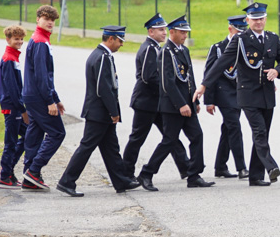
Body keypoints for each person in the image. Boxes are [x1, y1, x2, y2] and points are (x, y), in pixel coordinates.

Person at [197, 3, 280, 186]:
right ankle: (271, 166)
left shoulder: (272, 38)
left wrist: (277, 71)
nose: (258, 22)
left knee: (263, 133)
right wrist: (204, 85)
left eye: (261, 18)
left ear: (265, 19)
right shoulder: (240, 40)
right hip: (248, 95)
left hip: (267, 94)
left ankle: (256, 176)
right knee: (259, 131)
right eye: (254, 19)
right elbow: (222, 62)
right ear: (248, 20)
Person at [56, 27, 142, 197]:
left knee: (111, 148)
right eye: (120, 41)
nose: (122, 44)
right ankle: (67, 181)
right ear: (111, 39)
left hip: (101, 112)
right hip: (99, 112)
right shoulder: (102, 57)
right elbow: (103, 88)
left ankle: (120, 180)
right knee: (87, 147)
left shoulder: (102, 55)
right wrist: (113, 111)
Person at [138, 16, 212, 189]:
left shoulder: (183, 51)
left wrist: (195, 100)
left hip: (188, 103)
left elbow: (189, 76)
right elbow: (167, 82)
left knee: (197, 136)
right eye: (182, 32)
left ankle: (194, 175)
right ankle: (146, 173)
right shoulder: (166, 52)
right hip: (173, 106)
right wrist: (181, 104)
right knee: (169, 141)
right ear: (172, 32)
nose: (185, 35)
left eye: (186, 32)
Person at [122, 13, 190, 189]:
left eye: (164, 29)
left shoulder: (156, 47)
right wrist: (167, 88)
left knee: (171, 135)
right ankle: (125, 173)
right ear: (150, 31)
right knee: (137, 138)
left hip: (157, 102)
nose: (164, 33)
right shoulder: (150, 48)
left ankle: (186, 167)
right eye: (160, 30)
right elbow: (148, 76)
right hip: (146, 102)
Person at [21, 6, 66, 191]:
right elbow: (41, 76)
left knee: (36, 133)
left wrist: (56, 98)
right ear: (38, 19)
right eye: (46, 18)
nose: (50, 22)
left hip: (32, 95)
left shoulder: (40, 39)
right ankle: (33, 170)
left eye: (53, 20)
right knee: (57, 133)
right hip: (38, 96)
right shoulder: (40, 41)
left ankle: (28, 178)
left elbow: (46, 75)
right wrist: (50, 101)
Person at [204, 15, 249, 180]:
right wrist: (209, 100)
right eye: (238, 30)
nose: (241, 34)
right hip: (223, 94)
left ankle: (220, 166)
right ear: (230, 29)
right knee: (235, 128)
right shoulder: (218, 48)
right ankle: (242, 167)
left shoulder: (245, 46)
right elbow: (209, 74)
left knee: (228, 129)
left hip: (239, 93)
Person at [0, 25, 29, 189]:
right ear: (8, 39)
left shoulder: (14, 57)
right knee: (10, 142)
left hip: (15, 106)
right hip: (12, 107)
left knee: (26, 136)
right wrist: (22, 109)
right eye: (16, 39)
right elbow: (12, 88)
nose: (20, 42)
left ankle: (8, 170)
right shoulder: (9, 59)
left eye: (21, 39)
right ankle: (4, 175)